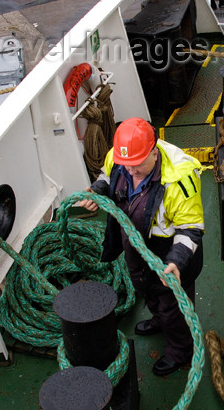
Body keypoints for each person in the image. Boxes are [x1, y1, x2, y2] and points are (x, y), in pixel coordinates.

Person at [80, 118, 204, 376]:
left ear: (154, 152)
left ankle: (181, 351)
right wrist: (97, 191)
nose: (132, 173)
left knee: (174, 308)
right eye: (128, 167)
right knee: (144, 287)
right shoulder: (121, 157)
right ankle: (159, 320)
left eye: (138, 167)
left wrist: (176, 262)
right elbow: (108, 174)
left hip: (168, 253)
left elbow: (190, 228)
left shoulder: (180, 180)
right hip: (135, 242)